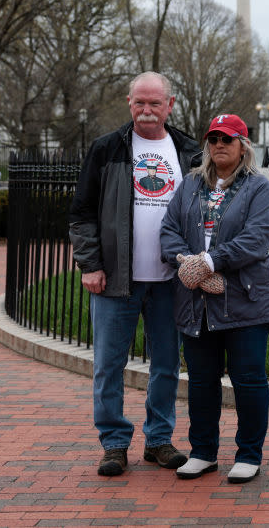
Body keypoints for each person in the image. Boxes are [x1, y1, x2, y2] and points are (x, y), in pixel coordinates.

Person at [69, 71, 198, 476]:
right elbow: (82, 213)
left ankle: (159, 440)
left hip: (171, 281)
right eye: (139, 102)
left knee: (166, 364)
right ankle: (114, 443)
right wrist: (90, 264)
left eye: (154, 103)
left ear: (169, 105)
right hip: (115, 280)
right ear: (129, 103)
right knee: (109, 364)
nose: (146, 110)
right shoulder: (107, 149)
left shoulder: (189, 153)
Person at [160, 113, 269, 484]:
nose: (218, 145)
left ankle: (248, 454)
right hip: (197, 302)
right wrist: (186, 262)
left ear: (243, 146)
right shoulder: (190, 185)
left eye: (226, 139)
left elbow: (256, 238)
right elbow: (168, 230)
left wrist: (209, 261)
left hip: (244, 300)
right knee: (200, 380)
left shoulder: (258, 188)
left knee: (248, 380)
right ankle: (203, 452)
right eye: (212, 138)